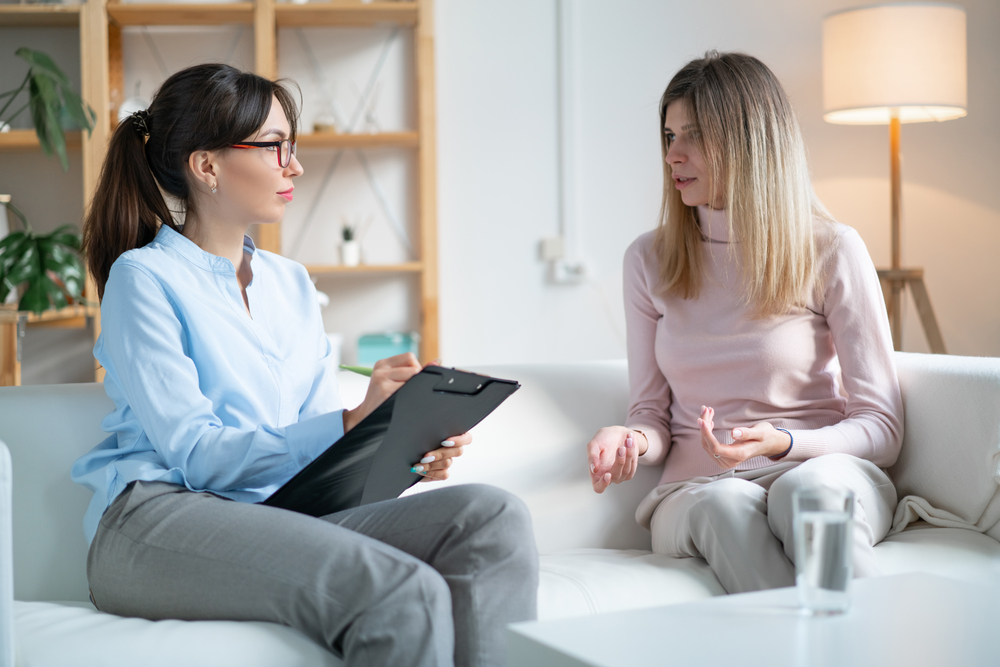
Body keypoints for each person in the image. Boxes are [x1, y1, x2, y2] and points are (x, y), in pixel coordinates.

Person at [72, 63, 537, 667]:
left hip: (281, 512)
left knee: (493, 518)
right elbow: (198, 456)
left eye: (291, 146)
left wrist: (395, 445)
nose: (293, 166)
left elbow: (319, 453)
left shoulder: (290, 283)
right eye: (274, 146)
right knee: (399, 589)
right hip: (156, 520)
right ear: (207, 166)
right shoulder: (143, 279)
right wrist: (347, 421)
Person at [585, 52, 902, 595]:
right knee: (724, 503)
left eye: (694, 136)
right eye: (669, 136)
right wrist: (631, 439)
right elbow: (651, 416)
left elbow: (882, 427)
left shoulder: (832, 249)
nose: (673, 155)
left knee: (809, 495)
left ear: (751, 142)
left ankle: (870, 635)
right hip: (697, 489)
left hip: (818, 468)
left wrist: (783, 443)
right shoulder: (648, 260)